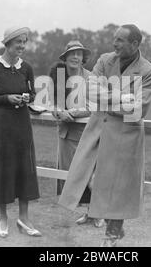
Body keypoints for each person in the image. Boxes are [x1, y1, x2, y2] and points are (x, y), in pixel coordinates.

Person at [58, 25, 151, 246]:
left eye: (121, 40)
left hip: (126, 136)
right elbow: (89, 92)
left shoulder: (149, 71)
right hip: (99, 131)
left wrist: (107, 100)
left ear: (135, 44)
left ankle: (112, 234)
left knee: (120, 186)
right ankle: (98, 217)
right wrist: (123, 97)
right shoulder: (104, 60)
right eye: (114, 39)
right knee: (92, 178)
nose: (115, 44)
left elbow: (139, 108)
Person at [0, 26, 41, 237]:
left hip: (22, 124)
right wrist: (6, 99)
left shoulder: (27, 68)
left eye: (24, 42)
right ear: (7, 43)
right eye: (18, 42)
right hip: (3, 126)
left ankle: (24, 218)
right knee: (4, 168)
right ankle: (3, 218)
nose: (22, 46)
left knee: (25, 168)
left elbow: (32, 93)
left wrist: (27, 97)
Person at [49, 40, 104, 228]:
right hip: (66, 135)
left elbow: (93, 106)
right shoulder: (59, 77)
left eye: (79, 54)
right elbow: (52, 102)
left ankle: (97, 213)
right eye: (71, 54)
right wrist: (56, 110)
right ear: (64, 58)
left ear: (83, 58)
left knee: (91, 175)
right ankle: (88, 213)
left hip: (87, 134)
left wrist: (70, 113)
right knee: (71, 176)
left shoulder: (90, 78)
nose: (75, 57)